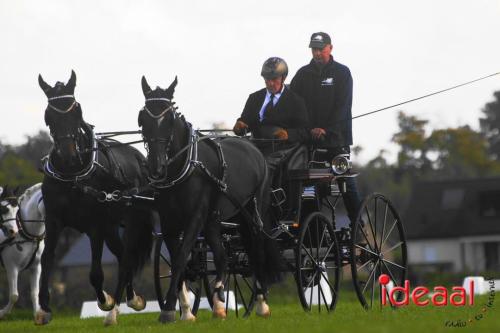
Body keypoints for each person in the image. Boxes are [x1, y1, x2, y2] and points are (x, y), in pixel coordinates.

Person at [290, 32, 362, 225]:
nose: (317, 53)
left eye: (321, 49)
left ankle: (358, 226)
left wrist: (326, 129)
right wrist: (307, 129)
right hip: (310, 142)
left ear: (330, 48)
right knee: (309, 189)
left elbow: (343, 106)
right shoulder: (302, 74)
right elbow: (293, 103)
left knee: (345, 181)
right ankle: (313, 229)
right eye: (314, 49)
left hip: (336, 140)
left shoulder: (342, 73)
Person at [233, 57, 309, 217]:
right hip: (257, 143)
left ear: (283, 78)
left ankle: (262, 210)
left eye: (274, 79)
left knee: (262, 166)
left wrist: (288, 134)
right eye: (267, 79)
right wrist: (239, 125)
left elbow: (304, 131)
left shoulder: (296, 101)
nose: (270, 83)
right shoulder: (254, 98)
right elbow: (245, 121)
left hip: (284, 147)